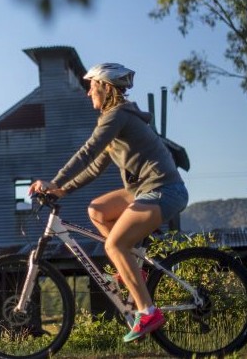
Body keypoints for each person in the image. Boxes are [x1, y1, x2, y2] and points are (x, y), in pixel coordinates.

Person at [29, 63, 189, 343]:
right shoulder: (115, 119)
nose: (89, 92)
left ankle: (148, 311)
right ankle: (133, 267)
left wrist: (54, 181)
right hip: (144, 190)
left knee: (114, 245)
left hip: (163, 190)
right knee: (98, 210)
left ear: (105, 87)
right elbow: (95, 167)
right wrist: (63, 190)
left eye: (92, 86)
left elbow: (88, 151)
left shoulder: (116, 115)